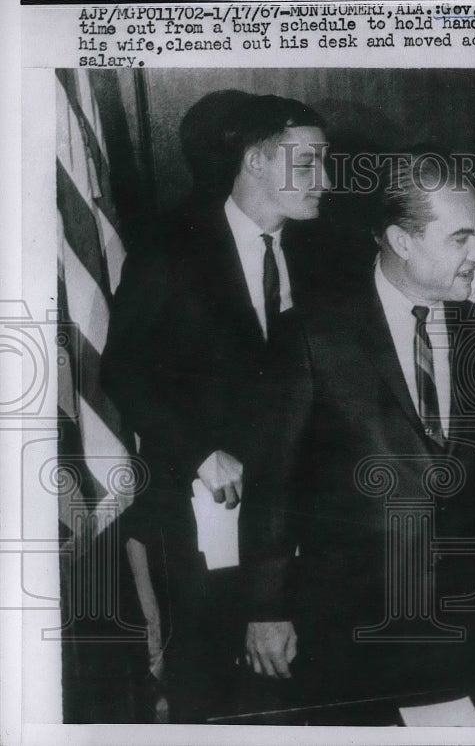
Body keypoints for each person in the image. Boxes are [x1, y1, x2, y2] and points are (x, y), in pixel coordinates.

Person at [240, 152, 475, 710]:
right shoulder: (312, 336)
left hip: (467, 621)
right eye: (461, 239)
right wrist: (265, 609)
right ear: (401, 241)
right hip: (349, 624)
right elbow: (272, 483)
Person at [101, 93, 331, 720]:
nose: (326, 181)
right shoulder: (171, 246)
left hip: (300, 519)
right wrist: (199, 451)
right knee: (207, 683)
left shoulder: (328, 251)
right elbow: (123, 369)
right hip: (201, 511)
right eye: (307, 163)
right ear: (255, 161)